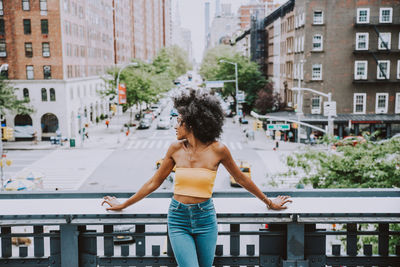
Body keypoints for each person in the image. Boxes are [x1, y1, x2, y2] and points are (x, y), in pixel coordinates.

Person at [101, 89, 291, 267]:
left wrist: (269, 202)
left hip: (205, 219)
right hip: (178, 218)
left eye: (179, 120)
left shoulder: (218, 150)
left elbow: (241, 178)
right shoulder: (175, 149)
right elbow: (154, 182)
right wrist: (123, 204)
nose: (175, 125)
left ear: (191, 123)